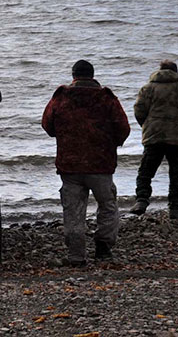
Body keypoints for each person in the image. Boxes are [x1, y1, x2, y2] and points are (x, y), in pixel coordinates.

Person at [42, 59, 131, 266]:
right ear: (92, 75)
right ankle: (103, 249)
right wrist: (112, 143)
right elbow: (123, 127)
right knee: (108, 205)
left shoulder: (61, 97)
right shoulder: (107, 98)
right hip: (101, 164)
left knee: (73, 210)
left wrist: (64, 137)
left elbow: (47, 124)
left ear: (73, 75)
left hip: (70, 165)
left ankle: (76, 256)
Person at [129, 60, 178, 219]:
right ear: (176, 72)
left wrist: (148, 125)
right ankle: (175, 207)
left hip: (154, 135)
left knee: (146, 171)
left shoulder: (148, 88)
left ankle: (142, 200)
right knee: (176, 173)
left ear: (160, 71)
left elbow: (139, 110)